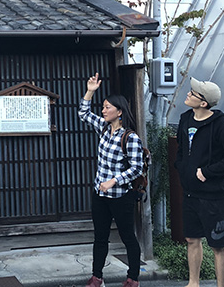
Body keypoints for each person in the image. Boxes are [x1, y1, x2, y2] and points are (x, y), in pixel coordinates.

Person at [175, 77, 224, 287]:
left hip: (213, 197)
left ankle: (221, 286)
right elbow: (181, 149)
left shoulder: (221, 124)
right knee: (192, 240)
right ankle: (193, 283)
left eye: (193, 93)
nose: (188, 93)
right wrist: (182, 167)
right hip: (189, 193)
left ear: (203, 103)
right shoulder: (186, 119)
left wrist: (207, 171)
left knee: (218, 245)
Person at [78, 73, 143, 287]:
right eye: (103, 107)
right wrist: (90, 91)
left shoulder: (130, 137)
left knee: (128, 238)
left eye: (107, 107)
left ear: (120, 112)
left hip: (121, 197)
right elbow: (83, 113)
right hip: (100, 195)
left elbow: (137, 168)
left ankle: (133, 278)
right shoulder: (104, 129)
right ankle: (97, 278)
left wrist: (114, 181)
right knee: (100, 238)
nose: (103, 110)